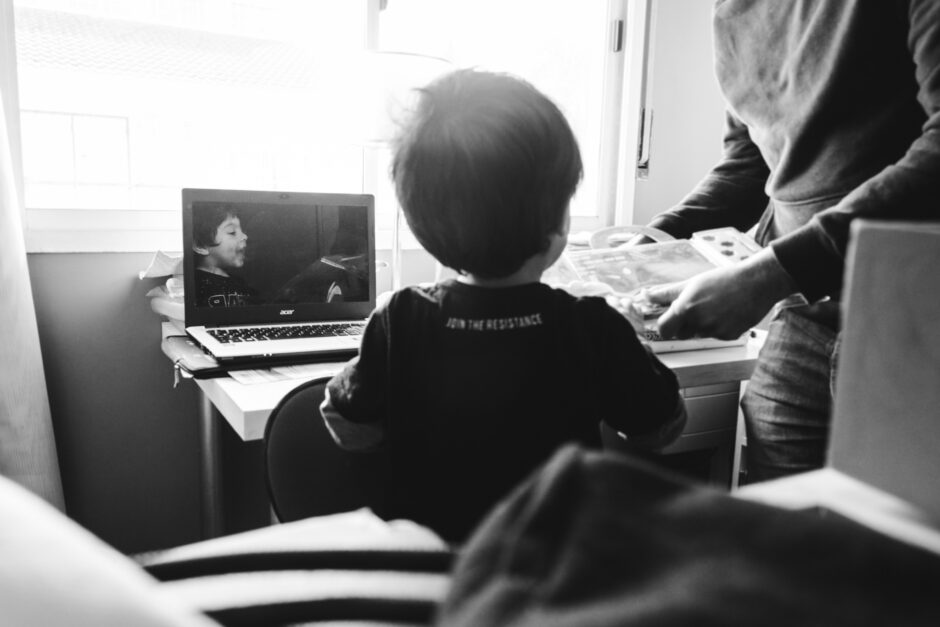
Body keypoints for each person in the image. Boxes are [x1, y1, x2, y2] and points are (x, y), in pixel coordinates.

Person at [319, 68, 687, 543]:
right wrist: (630, 342)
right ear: (558, 224)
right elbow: (661, 428)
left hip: (433, 569)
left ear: (423, 222)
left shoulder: (401, 317)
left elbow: (347, 426)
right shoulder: (591, 325)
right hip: (552, 567)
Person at [639, 1, 940, 482]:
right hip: (803, 309)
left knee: (895, 515)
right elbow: (749, 163)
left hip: (915, 307)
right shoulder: (732, 13)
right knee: (779, 508)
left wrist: (773, 273)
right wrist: (656, 240)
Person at [192, 203, 259, 307]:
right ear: (201, 246)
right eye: (232, 232)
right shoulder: (196, 284)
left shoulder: (239, 282)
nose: (244, 236)